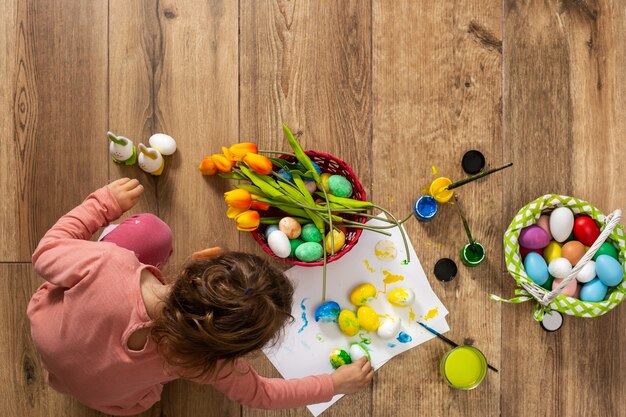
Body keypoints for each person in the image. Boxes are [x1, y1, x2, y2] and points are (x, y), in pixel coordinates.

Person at [27, 178, 373, 416]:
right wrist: (333, 383)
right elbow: (264, 395)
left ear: (203, 258)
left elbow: (46, 252)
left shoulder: (108, 265)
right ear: (231, 348)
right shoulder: (205, 363)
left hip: (49, 337)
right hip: (106, 399)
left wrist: (103, 205)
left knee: (152, 232)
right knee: (143, 399)